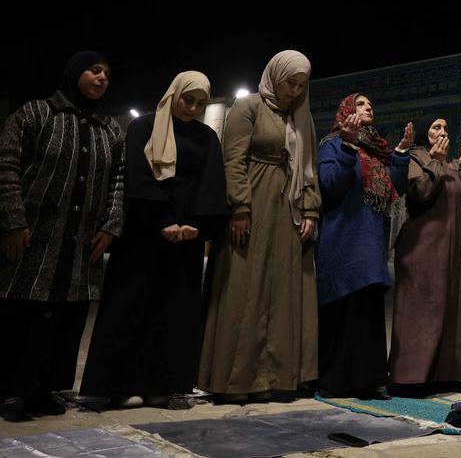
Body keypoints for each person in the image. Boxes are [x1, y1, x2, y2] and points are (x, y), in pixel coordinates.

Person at [80, 72, 227, 409]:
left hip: (185, 237)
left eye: (201, 103)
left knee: (173, 312)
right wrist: (161, 222)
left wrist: (196, 227)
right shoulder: (144, 127)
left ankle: (164, 385)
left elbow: (212, 184)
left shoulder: (206, 137)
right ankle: (122, 386)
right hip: (144, 234)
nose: (193, 108)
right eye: (188, 100)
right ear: (173, 94)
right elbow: (134, 176)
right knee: (133, 307)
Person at [1, 52, 124, 419]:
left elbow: (119, 179)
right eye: (94, 70)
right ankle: (10, 391)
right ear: (75, 73)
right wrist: (12, 222)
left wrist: (110, 226)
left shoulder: (109, 128)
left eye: (107, 73)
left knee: (66, 319)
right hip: (31, 236)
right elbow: (5, 165)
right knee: (22, 312)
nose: (102, 78)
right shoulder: (37, 113)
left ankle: (44, 389)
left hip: (81, 242)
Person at [199, 50, 321, 402]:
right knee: (245, 286)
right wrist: (240, 206)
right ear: (274, 76)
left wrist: (311, 210)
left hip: (289, 211)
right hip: (254, 202)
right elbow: (233, 158)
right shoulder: (248, 107)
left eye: (302, 85)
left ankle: (276, 378)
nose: (295, 91)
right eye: (290, 83)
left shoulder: (302, 117)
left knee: (283, 291)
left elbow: (309, 167)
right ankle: (237, 380)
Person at [315, 94, 414, 397]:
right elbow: (331, 183)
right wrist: (346, 146)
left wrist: (400, 153)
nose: (368, 107)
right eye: (360, 104)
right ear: (345, 111)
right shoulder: (332, 144)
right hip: (344, 240)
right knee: (345, 311)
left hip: (371, 242)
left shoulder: (375, 149)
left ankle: (367, 380)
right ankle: (337, 381)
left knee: (367, 312)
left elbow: (393, 188)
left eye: (370, 104)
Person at [389, 116, 461, 390]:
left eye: (445, 128)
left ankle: (445, 374)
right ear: (424, 133)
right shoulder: (417, 158)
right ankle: (411, 376)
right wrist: (435, 162)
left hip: (449, 250)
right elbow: (421, 193)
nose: (442, 132)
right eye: (436, 127)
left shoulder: (451, 164)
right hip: (422, 250)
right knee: (421, 313)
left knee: (450, 311)